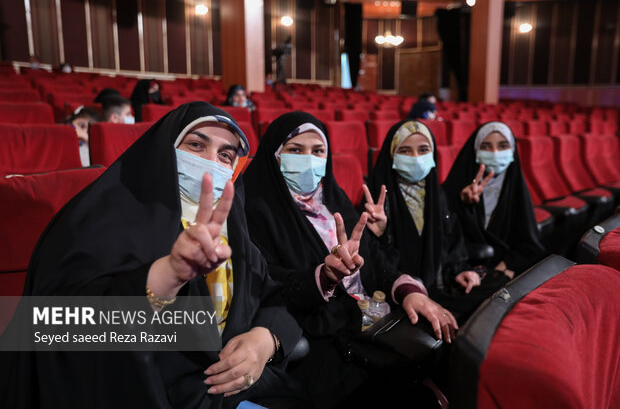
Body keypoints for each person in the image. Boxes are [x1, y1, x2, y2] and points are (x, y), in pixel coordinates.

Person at [0, 102, 304, 409]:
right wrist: (167, 277)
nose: (211, 163)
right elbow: (60, 327)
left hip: (233, 393)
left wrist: (266, 340)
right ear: (164, 149)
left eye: (225, 155)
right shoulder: (104, 216)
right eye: (196, 145)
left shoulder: (231, 224)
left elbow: (271, 293)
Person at [243, 111, 458, 408]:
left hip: (370, 322)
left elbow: (375, 262)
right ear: (274, 156)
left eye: (318, 151)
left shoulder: (334, 199)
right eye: (295, 150)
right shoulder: (255, 210)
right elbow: (266, 283)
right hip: (322, 339)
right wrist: (323, 276)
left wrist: (408, 291)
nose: (309, 159)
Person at [366, 120, 509, 321]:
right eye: (405, 151)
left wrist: (459, 271)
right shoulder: (377, 199)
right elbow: (376, 263)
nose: (416, 158)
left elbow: (451, 244)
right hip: (402, 293)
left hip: (440, 285)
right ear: (392, 156)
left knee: (500, 290)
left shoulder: (437, 195)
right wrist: (381, 234)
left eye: (423, 150)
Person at [443, 121, 545, 278]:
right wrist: (461, 203)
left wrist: (505, 267)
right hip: (464, 270)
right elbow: (445, 237)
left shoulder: (515, 188)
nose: (495, 152)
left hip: (504, 271)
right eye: (486, 147)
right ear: (475, 150)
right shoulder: (457, 187)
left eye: (503, 146)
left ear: (512, 151)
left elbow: (528, 243)